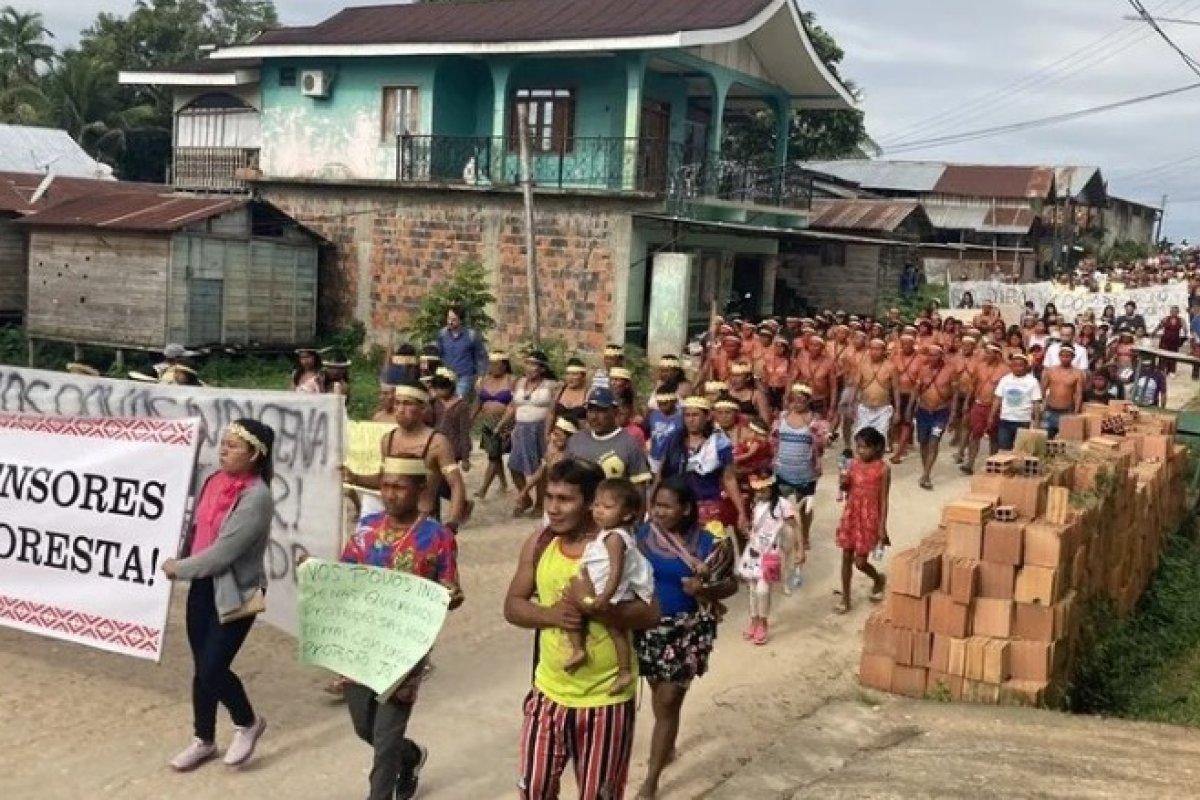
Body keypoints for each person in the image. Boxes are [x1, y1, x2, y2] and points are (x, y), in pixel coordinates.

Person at [504, 459, 661, 800]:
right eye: (549, 497)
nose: (553, 508)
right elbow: (513, 606)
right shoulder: (539, 544)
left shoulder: (620, 548)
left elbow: (651, 613)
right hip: (548, 695)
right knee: (534, 790)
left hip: (607, 700)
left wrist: (594, 606)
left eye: (565, 499)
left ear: (592, 502)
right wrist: (553, 615)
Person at [338, 456, 464, 800]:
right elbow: (343, 577)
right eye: (385, 486)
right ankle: (410, 757)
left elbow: (450, 590)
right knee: (364, 726)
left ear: (420, 489)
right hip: (359, 641)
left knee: (385, 737)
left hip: (405, 648)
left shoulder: (437, 537)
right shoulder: (366, 529)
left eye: (399, 487)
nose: (390, 494)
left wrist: (449, 595)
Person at [162, 419, 275, 771]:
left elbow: (222, 554)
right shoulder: (213, 480)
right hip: (203, 587)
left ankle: (247, 722)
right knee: (202, 666)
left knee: (213, 666)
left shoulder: (256, 497)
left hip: (238, 592)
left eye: (233, 445)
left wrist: (178, 568)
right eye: (222, 443)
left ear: (254, 455)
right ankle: (204, 739)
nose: (223, 450)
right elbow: (195, 529)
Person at [633, 477, 736, 800]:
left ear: (686, 509)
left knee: (668, 700)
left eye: (666, 506)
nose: (658, 512)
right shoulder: (641, 537)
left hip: (687, 632)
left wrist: (704, 589)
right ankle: (668, 741)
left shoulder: (709, 543)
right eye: (656, 505)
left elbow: (731, 584)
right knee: (659, 694)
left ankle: (651, 780)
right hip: (647, 629)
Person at [565, 478, 655, 696]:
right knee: (612, 629)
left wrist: (606, 595)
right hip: (605, 589)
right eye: (596, 504)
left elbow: (616, 570)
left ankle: (584, 652)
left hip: (611, 592)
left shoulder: (615, 538)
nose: (598, 511)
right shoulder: (608, 534)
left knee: (579, 608)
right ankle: (616, 667)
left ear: (626, 514)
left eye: (607, 507)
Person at [346, 379, 469, 530]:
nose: (400, 409)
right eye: (397, 403)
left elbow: (456, 484)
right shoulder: (388, 440)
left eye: (407, 403)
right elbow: (383, 479)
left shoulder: (437, 443)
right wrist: (354, 477)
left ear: (423, 408)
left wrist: (452, 524)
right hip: (391, 522)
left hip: (422, 522)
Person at [737, 472, 798, 645]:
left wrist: (800, 550)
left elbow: (795, 527)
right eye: (757, 490)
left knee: (763, 590)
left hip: (771, 554)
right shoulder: (756, 503)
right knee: (752, 589)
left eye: (763, 490)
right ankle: (754, 620)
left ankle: (763, 622)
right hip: (754, 550)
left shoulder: (783, 505)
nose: (760, 493)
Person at [834, 426, 890, 614]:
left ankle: (878, 578)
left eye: (865, 447)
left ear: (876, 447)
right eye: (858, 447)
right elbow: (846, 487)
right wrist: (843, 482)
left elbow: (884, 500)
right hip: (851, 515)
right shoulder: (853, 465)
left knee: (860, 562)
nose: (860, 451)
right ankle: (845, 599)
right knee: (846, 557)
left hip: (868, 518)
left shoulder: (883, 469)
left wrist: (882, 527)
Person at [773, 384, 827, 575]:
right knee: (780, 507)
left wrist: (818, 459)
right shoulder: (781, 418)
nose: (797, 404)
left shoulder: (815, 421)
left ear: (808, 401)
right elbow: (774, 441)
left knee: (805, 508)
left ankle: (804, 535)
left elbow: (821, 446)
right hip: (783, 470)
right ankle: (781, 537)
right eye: (794, 400)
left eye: (801, 400)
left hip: (806, 472)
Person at [499, 351, 558, 515]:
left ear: (542, 368)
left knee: (541, 468)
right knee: (514, 465)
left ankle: (539, 504)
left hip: (540, 429)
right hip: (521, 429)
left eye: (534, 365)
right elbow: (512, 406)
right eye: (528, 364)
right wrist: (500, 425)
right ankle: (525, 499)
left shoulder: (551, 385)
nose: (529, 368)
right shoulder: (520, 382)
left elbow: (552, 411)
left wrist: (548, 432)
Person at [566, 387, 653, 488]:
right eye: (590, 410)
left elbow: (639, 488)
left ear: (615, 412)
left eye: (601, 411)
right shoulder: (576, 440)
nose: (594, 417)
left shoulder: (629, 445)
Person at [908, 344, 957, 491]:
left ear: (941, 355)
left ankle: (926, 475)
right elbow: (916, 390)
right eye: (930, 354)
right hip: (923, 411)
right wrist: (909, 408)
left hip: (940, 412)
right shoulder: (923, 369)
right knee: (923, 442)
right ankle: (926, 469)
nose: (932, 358)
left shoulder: (950, 370)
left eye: (935, 355)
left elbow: (954, 394)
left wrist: (953, 413)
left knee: (934, 441)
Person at [960, 343, 1008, 474]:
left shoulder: (1005, 370)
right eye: (985, 352)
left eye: (989, 352)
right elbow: (972, 386)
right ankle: (970, 463)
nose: (986, 355)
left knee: (994, 437)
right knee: (975, 434)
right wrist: (967, 403)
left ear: (997, 354)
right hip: (979, 404)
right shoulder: (980, 366)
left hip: (995, 407)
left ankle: (992, 465)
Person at [473, 353, 515, 499]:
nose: (492, 367)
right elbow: (478, 402)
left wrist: (505, 422)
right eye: (491, 364)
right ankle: (503, 483)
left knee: (494, 455)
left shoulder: (512, 381)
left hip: (505, 422)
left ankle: (483, 489)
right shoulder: (483, 381)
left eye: (496, 364)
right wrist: (471, 419)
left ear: (504, 365)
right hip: (487, 422)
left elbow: (514, 404)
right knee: (494, 455)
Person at [515, 417, 577, 515]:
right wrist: (525, 490)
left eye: (558, 435)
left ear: (570, 438)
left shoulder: (573, 455)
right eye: (554, 434)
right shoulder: (551, 448)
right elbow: (540, 471)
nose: (554, 438)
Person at [992, 353, 1043, 451]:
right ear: (1011, 367)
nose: (1017, 368)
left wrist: (1037, 422)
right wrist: (992, 416)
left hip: (1023, 421)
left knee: (1021, 451)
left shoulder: (1032, 381)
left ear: (1026, 367)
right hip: (1005, 420)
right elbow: (998, 399)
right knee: (1004, 449)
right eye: (1015, 365)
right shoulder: (1005, 379)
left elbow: (1036, 403)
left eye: (1020, 365)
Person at [436, 304, 488, 399]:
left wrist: (481, 376)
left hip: (464, 376)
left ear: (461, 320)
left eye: (454, 320)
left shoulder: (471, 336)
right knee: (442, 400)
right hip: (446, 375)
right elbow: (438, 354)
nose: (450, 322)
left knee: (457, 400)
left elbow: (480, 357)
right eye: (448, 318)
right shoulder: (442, 334)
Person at [851, 338, 899, 441]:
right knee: (861, 438)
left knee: (880, 439)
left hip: (883, 409)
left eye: (877, 349)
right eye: (872, 349)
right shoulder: (862, 365)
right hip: (865, 408)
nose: (874, 352)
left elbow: (896, 389)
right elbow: (856, 386)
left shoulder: (891, 367)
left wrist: (897, 411)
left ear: (884, 351)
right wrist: (852, 405)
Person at [429, 371, 471, 474]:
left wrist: (465, 458)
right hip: (435, 445)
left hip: (453, 448)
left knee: (448, 474)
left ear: (450, 387)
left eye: (441, 388)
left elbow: (464, 432)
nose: (438, 391)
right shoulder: (435, 402)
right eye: (436, 388)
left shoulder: (461, 406)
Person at [1040, 345, 1084, 439]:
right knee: (1044, 438)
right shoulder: (1051, 370)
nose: (1065, 358)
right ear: (1059, 356)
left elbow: (1078, 394)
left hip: (1067, 411)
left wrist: (1076, 411)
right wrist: (1041, 405)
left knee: (1063, 440)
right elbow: (1043, 389)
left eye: (1068, 356)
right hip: (1050, 409)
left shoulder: (1078, 373)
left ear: (1073, 357)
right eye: (1063, 356)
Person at [1154, 305, 1186, 373]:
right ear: (1170, 312)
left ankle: (1171, 371)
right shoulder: (1166, 318)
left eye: (1175, 311)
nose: (1173, 313)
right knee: (1162, 357)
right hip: (1165, 341)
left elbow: (1185, 329)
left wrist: (1184, 337)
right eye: (1172, 311)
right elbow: (1159, 326)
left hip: (1174, 342)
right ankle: (1161, 371)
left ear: (1178, 312)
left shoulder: (1181, 320)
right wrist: (1154, 332)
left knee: (1172, 358)